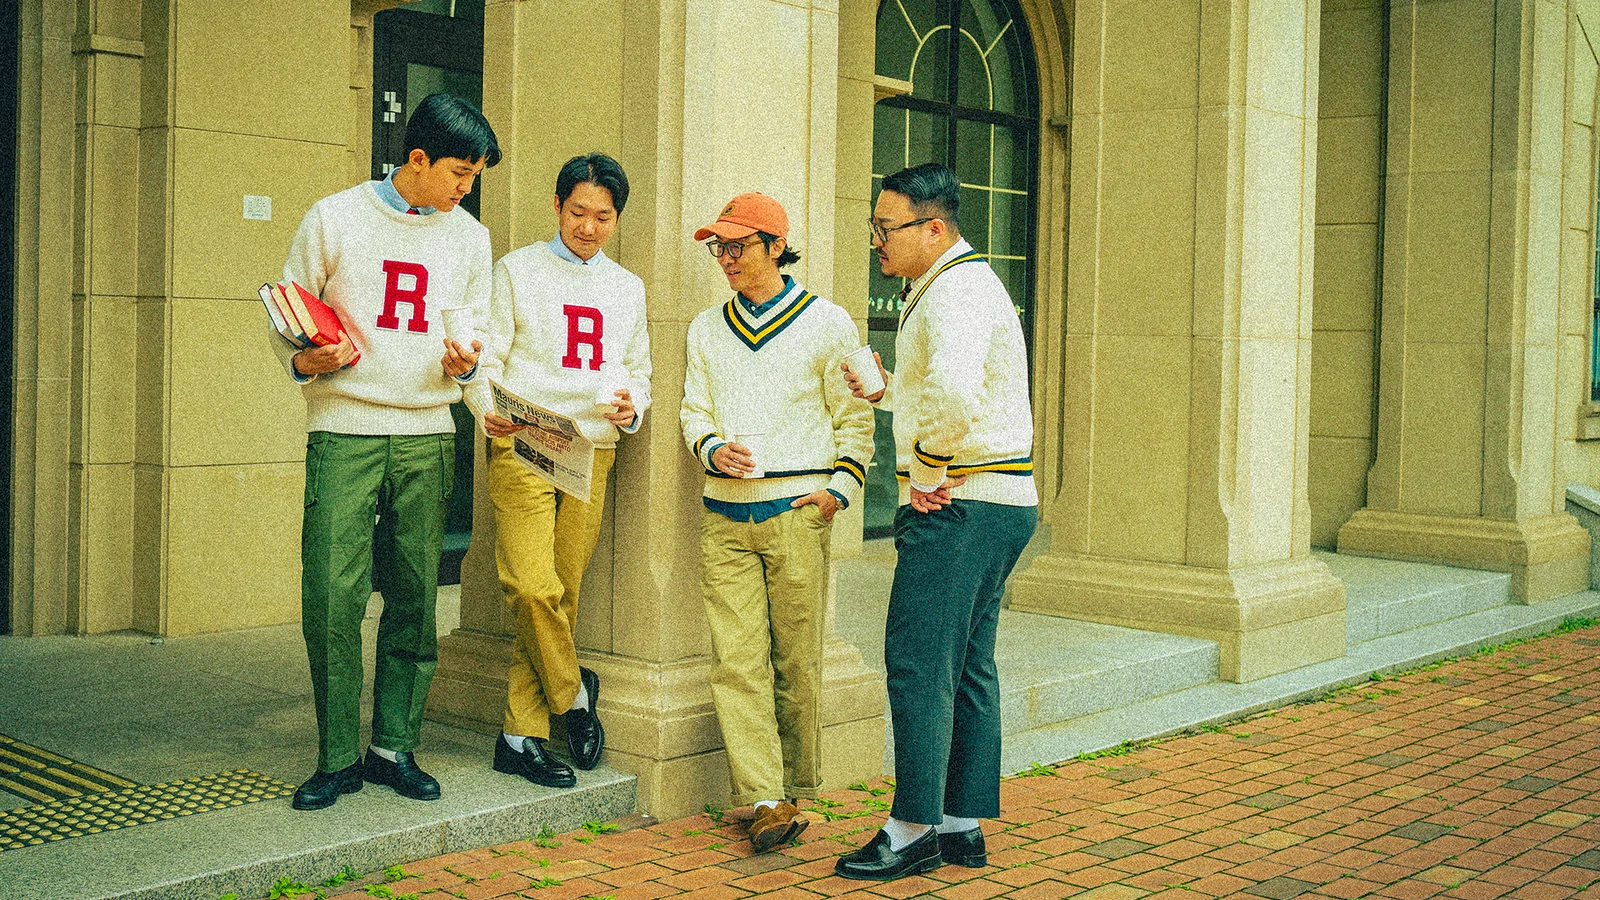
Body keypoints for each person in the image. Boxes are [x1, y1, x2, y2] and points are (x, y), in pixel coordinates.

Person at [276, 92, 500, 811]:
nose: (466, 187)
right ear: (417, 159)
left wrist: (470, 370)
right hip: (343, 427)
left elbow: (476, 338)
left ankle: (394, 746)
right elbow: (286, 312)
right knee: (333, 595)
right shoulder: (334, 217)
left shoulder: (470, 236)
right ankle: (337, 756)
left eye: (475, 175)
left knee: (412, 596)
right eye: (460, 172)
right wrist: (301, 360)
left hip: (427, 431)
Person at [834, 163, 1038, 879]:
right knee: (967, 665)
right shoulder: (965, 283)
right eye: (874, 227)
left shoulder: (952, 290)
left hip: (960, 504)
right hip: (1003, 500)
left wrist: (924, 470)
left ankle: (912, 827)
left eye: (885, 228)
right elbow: (949, 391)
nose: (876, 242)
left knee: (919, 663)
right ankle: (960, 823)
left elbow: (953, 394)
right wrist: (890, 392)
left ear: (935, 228)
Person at [680, 192, 874, 851]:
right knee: (736, 662)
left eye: (737, 246)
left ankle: (792, 790)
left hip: (797, 513)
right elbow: (693, 411)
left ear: (773, 245)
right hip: (724, 517)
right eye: (719, 248)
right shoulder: (706, 328)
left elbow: (855, 419)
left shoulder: (829, 324)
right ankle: (765, 799)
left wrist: (837, 493)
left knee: (795, 658)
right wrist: (710, 447)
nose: (726, 259)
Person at [464, 153, 651, 787]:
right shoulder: (516, 270)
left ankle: (519, 735)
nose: (590, 227)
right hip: (524, 442)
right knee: (531, 586)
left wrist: (631, 407)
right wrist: (486, 409)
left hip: (593, 448)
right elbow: (487, 360)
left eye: (603, 217)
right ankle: (573, 695)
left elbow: (639, 373)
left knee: (563, 594)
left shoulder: (627, 287)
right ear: (557, 207)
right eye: (578, 212)